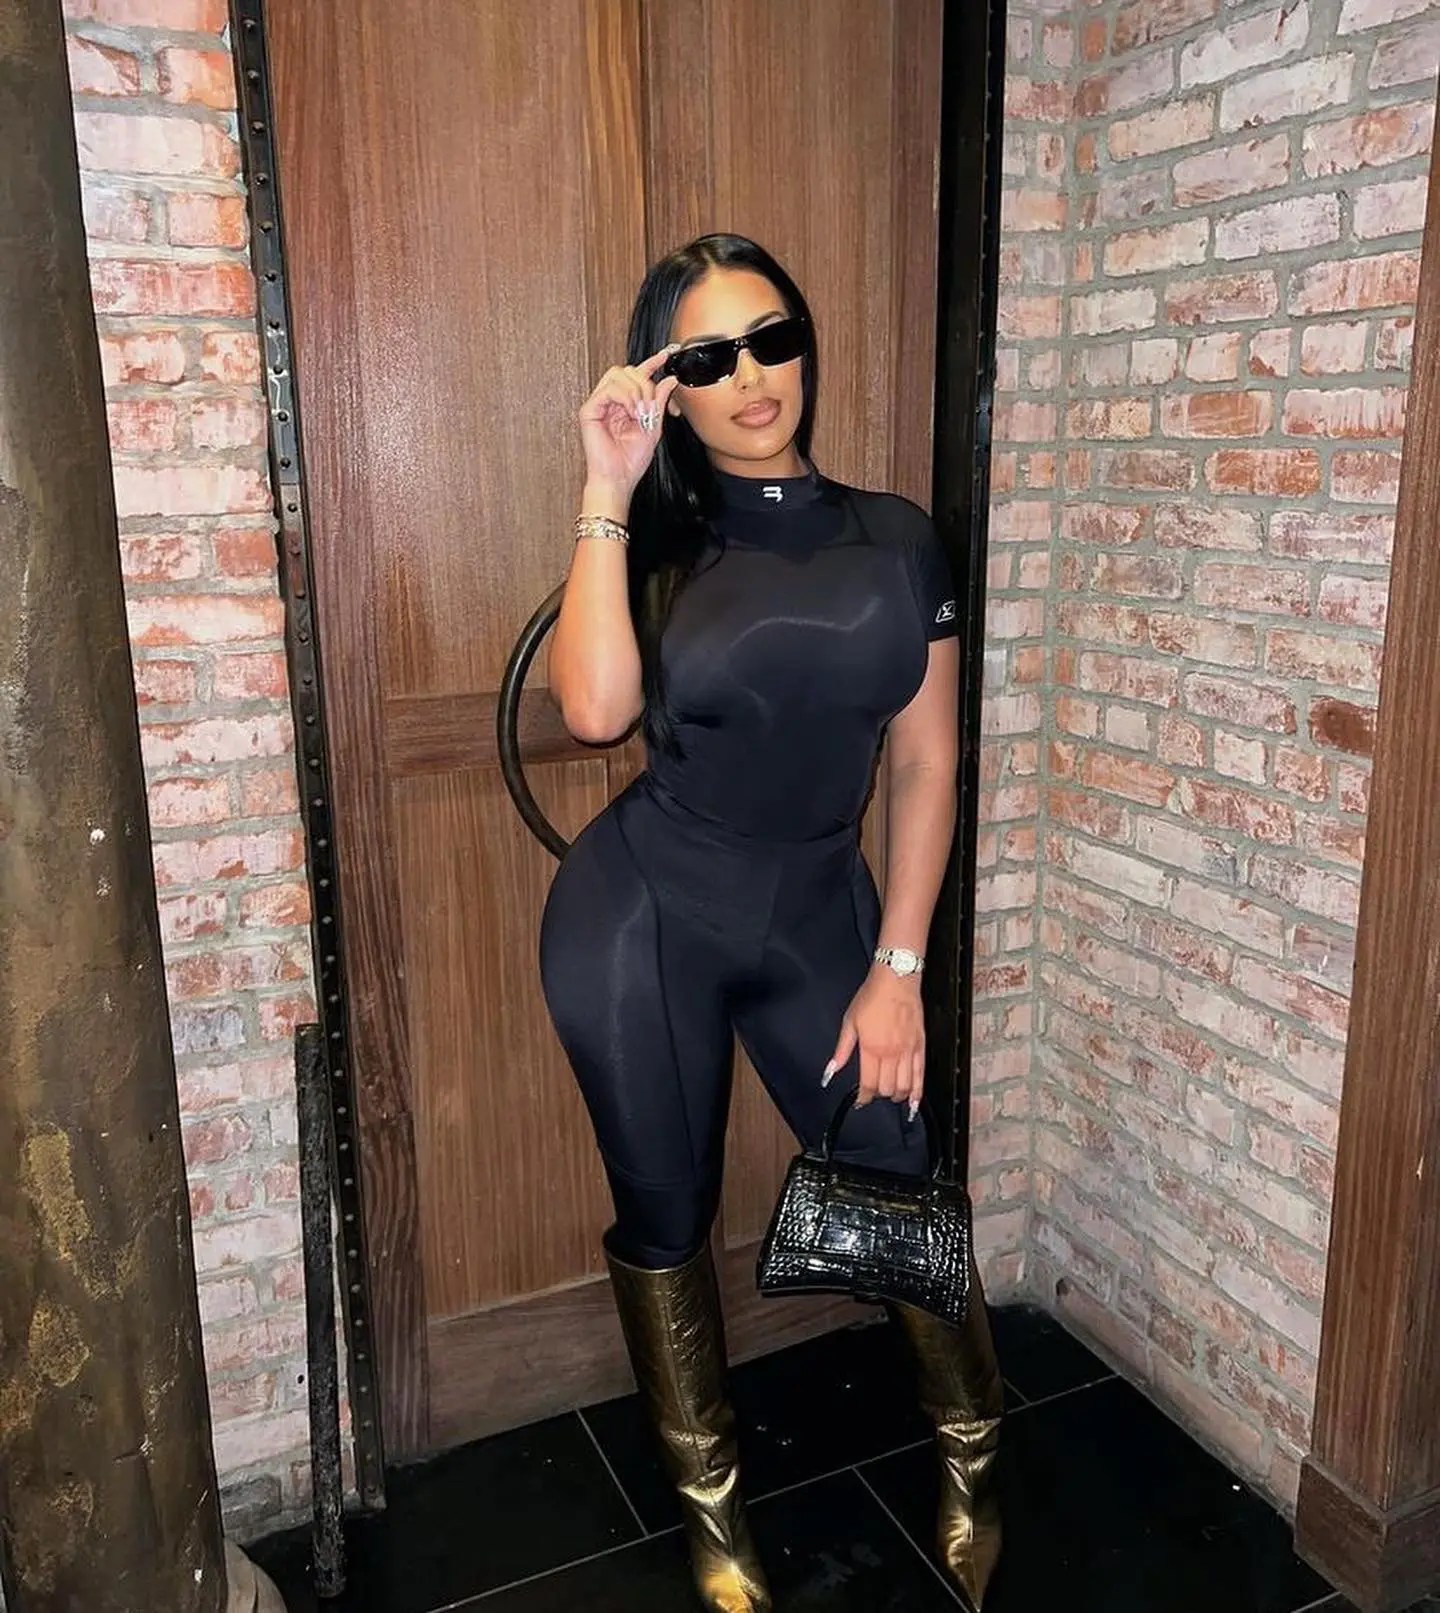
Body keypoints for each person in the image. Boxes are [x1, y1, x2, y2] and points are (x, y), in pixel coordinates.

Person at [539, 233, 1003, 1613]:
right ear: (668, 385)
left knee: (895, 1157)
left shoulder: (897, 536)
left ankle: (974, 1458)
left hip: (819, 911)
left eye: (773, 338)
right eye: (708, 356)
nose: (752, 376)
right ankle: (712, 1510)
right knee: (665, 1208)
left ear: (806, 345)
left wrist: (898, 967)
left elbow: (926, 762)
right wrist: (605, 487)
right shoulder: (657, 542)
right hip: (644, 917)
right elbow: (594, 713)